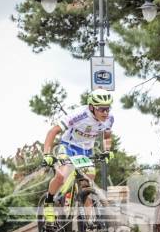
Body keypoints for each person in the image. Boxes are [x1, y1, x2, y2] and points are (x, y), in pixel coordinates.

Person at [42, 89, 114, 223]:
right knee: (61, 175)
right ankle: (49, 201)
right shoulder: (79, 115)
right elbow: (53, 131)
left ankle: (88, 227)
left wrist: (107, 150)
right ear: (92, 107)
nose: (105, 112)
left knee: (87, 185)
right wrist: (47, 154)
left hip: (86, 151)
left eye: (108, 108)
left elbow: (107, 135)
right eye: (102, 109)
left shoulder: (109, 118)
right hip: (68, 146)